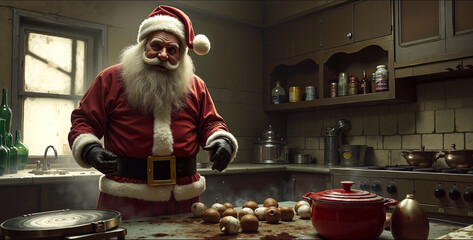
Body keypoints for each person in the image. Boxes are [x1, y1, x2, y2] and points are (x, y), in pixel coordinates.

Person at [68, 5, 238, 220]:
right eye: (156, 46)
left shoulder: (196, 85)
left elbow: (211, 123)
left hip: (182, 198)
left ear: (181, 55)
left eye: (172, 50)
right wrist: (89, 148)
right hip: (126, 194)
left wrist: (223, 141)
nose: (163, 55)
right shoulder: (110, 79)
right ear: (143, 46)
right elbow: (84, 120)